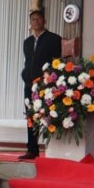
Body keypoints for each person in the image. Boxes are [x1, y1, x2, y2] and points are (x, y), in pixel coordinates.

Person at [21, 9, 62, 160]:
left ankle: (55, 147)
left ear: (44, 21)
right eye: (33, 19)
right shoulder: (27, 42)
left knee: (50, 114)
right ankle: (32, 149)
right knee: (31, 116)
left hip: (46, 85)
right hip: (29, 84)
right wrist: (25, 76)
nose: (36, 21)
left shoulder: (54, 39)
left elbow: (58, 62)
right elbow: (28, 62)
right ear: (30, 24)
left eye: (39, 19)